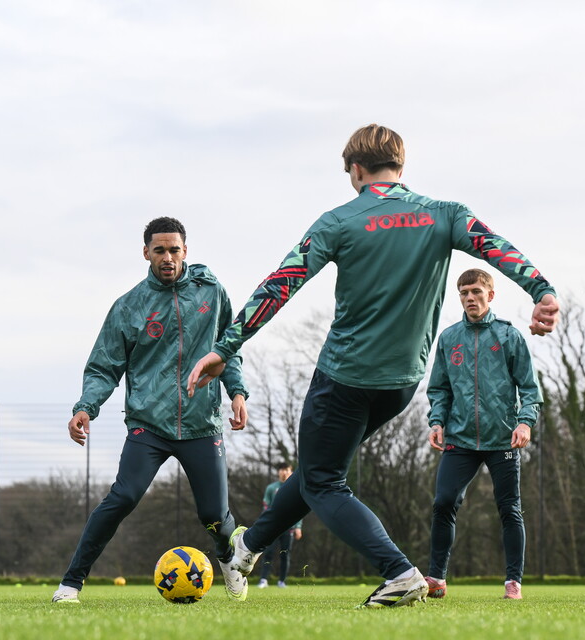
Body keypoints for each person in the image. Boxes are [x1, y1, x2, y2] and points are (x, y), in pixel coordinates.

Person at [187, 124, 558, 609]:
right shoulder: (445, 215)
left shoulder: (340, 220)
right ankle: (246, 548)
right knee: (320, 469)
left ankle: (399, 572)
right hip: (401, 384)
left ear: (356, 170)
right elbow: (498, 249)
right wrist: (541, 291)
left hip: (344, 377)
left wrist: (224, 347)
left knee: (323, 481)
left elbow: (279, 286)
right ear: (401, 168)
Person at [51, 217, 250, 604]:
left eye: (174, 249)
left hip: (201, 423)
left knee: (214, 515)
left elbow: (230, 347)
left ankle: (227, 559)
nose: (168, 257)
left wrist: (237, 392)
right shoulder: (129, 307)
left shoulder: (212, 291)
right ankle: (71, 584)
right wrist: (85, 408)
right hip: (149, 425)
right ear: (146, 253)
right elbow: (103, 365)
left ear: (185, 251)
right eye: (159, 250)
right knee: (122, 497)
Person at [425, 269, 542, 601]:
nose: (469, 297)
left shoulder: (509, 336)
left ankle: (513, 583)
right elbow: (439, 390)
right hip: (459, 439)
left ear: (490, 295)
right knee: (444, 502)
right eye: (463, 293)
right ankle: (436, 578)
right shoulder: (448, 338)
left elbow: (530, 390)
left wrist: (525, 422)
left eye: (476, 291)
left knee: (510, 509)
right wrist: (437, 421)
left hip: (502, 439)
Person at [257, 463, 303, 589]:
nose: (285, 472)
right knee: (268, 553)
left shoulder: (296, 488)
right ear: (278, 472)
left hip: (289, 527)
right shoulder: (271, 488)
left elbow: (300, 509)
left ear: (291, 472)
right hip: (273, 527)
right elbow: (266, 507)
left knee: (285, 555)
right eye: (282, 470)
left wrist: (298, 526)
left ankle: (282, 581)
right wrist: (265, 525)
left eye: (287, 470)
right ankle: (263, 580)